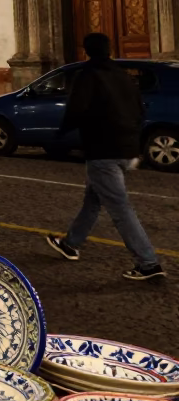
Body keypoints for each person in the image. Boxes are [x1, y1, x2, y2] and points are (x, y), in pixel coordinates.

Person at [46, 32, 165, 281]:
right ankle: (70, 243)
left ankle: (148, 263)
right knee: (93, 199)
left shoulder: (88, 75)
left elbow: (76, 109)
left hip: (103, 151)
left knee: (120, 208)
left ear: (87, 51)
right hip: (126, 149)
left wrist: (60, 134)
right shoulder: (123, 76)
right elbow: (139, 110)